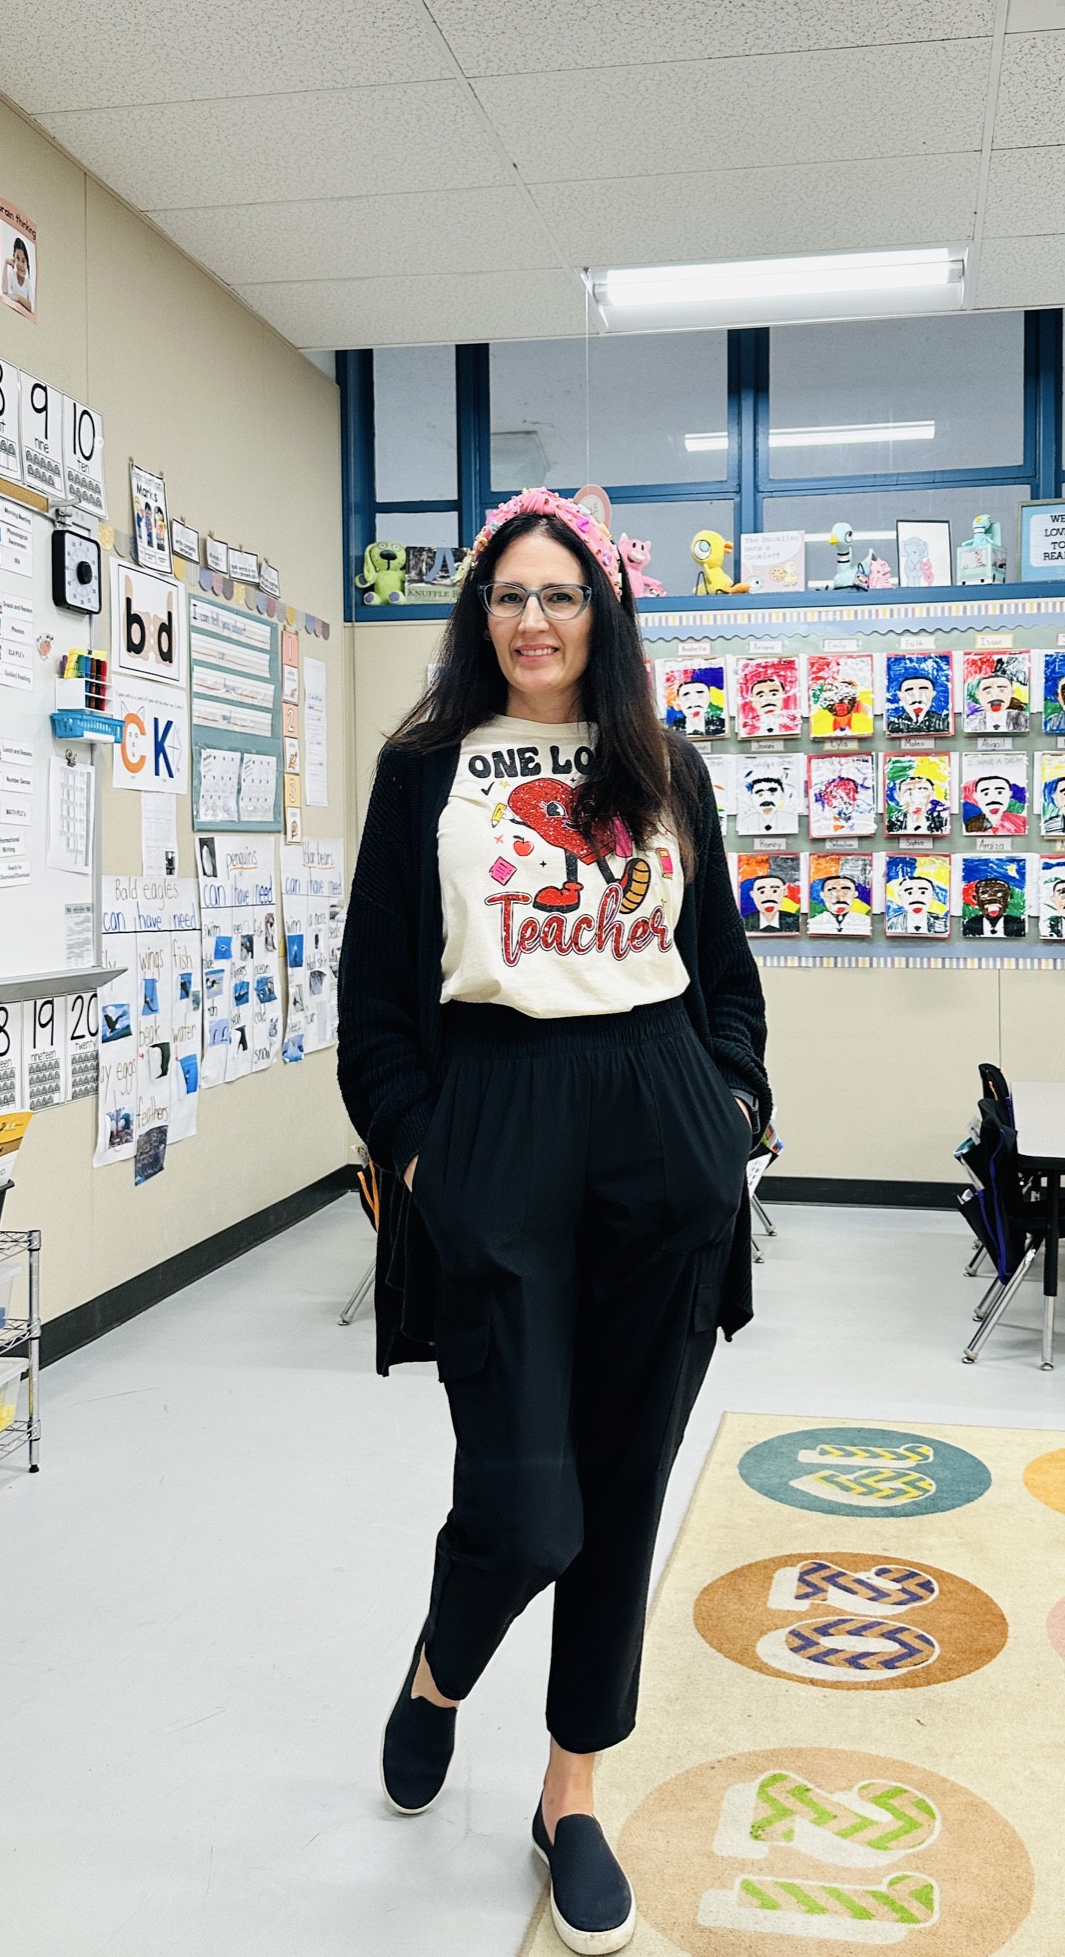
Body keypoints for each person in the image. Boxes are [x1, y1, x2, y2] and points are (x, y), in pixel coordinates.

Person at [338, 487, 769, 1956]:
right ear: (482, 613)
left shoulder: (665, 765)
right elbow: (373, 1001)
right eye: (511, 594)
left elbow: (724, 974)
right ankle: (440, 1672)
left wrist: (728, 1110)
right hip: (497, 1121)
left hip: (660, 1120)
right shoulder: (425, 770)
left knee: (621, 1495)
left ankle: (569, 1796)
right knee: (526, 1501)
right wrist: (424, 1154)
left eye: (561, 594)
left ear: (605, 611)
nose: (535, 619)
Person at [2, 233, 34, 309]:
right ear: (14, 258)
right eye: (17, 259)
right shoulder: (11, 274)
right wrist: (5, 263)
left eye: (23, 261)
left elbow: (31, 306)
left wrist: (18, 297)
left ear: (27, 264)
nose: (20, 264)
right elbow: (4, 291)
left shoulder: (28, 283)